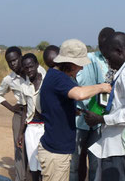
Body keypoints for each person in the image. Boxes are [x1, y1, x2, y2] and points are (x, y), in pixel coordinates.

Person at [37, 39, 112, 181]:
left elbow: (55, 104)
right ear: (70, 64)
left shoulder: (54, 75)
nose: (82, 69)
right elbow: (79, 94)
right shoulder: (59, 78)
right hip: (56, 153)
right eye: (79, 65)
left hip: (55, 149)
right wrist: (102, 87)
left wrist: (73, 111)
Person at [84, 32, 125, 181]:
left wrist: (102, 119)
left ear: (119, 51)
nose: (107, 62)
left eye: (108, 57)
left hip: (119, 148)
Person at [70, 27, 115, 181]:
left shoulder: (116, 62)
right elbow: (76, 85)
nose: (104, 49)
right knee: (74, 164)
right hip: (80, 118)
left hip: (101, 122)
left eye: (107, 45)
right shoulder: (89, 60)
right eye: (101, 45)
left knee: (96, 164)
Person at [0, 46, 27, 181]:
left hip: (36, 115)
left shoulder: (34, 70)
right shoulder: (9, 79)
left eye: (15, 60)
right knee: (19, 149)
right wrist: (12, 108)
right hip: (19, 116)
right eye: (9, 62)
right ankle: (20, 178)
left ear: (21, 57)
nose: (13, 64)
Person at [17, 53, 46, 181]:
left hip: (46, 126)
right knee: (33, 164)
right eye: (26, 68)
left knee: (44, 163)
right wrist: (21, 132)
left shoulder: (47, 82)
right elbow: (24, 110)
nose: (29, 70)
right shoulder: (24, 86)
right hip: (31, 127)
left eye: (31, 66)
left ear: (37, 65)